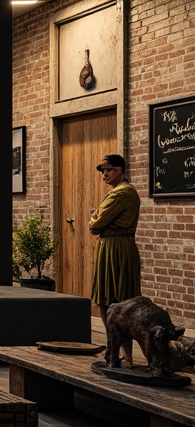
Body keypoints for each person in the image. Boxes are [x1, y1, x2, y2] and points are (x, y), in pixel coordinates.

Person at [90, 153, 141, 365]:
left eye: (108, 170)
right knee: (112, 299)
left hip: (116, 248)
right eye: (103, 170)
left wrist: (94, 217)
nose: (104, 174)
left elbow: (95, 224)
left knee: (114, 299)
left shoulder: (121, 193)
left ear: (120, 170)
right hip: (114, 245)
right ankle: (120, 354)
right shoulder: (119, 192)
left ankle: (120, 353)